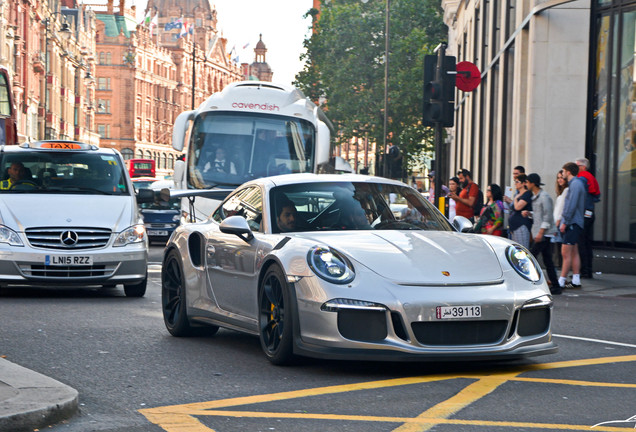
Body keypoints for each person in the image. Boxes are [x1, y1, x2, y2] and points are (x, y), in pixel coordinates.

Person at [524, 173, 561, 294]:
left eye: (528, 182)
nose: (526, 184)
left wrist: (540, 232)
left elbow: (547, 216)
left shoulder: (544, 197)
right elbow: (539, 215)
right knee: (547, 260)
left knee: (531, 257)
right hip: (542, 233)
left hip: (545, 234)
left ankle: (529, 283)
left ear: (533, 184)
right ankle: (555, 285)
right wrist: (530, 214)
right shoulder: (536, 197)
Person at [558, 162, 586, 290]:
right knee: (574, 252)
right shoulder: (577, 184)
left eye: (563, 171)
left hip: (572, 222)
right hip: (575, 222)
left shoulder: (575, 184)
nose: (562, 173)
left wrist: (565, 222)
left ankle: (561, 281)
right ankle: (576, 279)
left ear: (568, 172)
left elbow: (571, 205)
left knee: (565, 252)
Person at [575, 157, 600, 279]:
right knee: (587, 242)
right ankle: (588, 270)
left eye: (577, 165)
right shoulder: (591, 177)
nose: (576, 168)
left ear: (583, 167)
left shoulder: (582, 178)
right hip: (590, 213)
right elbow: (596, 196)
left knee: (581, 242)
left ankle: (583, 270)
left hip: (583, 213)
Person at [508, 174, 533, 248]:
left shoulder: (527, 194)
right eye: (515, 181)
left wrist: (515, 199)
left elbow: (518, 207)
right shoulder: (518, 194)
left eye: (517, 181)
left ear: (524, 183)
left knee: (522, 248)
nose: (515, 183)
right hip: (514, 227)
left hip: (521, 225)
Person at [552, 169, 569, 267]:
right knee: (558, 246)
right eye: (558, 178)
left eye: (562, 177)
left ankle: (561, 266)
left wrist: (557, 222)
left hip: (560, 222)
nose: (560, 180)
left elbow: (562, 209)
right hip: (556, 221)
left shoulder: (566, 191)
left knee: (560, 246)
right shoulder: (561, 192)